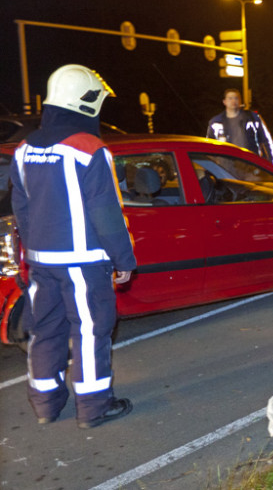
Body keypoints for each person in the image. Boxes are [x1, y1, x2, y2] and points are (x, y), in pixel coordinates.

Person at [11, 64, 136, 429]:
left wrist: (34, 251)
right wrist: (123, 258)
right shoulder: (90, 149)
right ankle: (93, 407)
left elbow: (22, 207)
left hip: (41, 262)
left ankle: (46, 405)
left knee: (44, 330)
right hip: (83, 263)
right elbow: (106, 211)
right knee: (89, 331)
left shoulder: (23, 149)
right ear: (86, 102)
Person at [206, 88, 273, 165]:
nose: (233, 101)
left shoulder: (253, 119)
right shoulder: (216, 122)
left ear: (240, 101)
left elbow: (267, 141)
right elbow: (210, 148)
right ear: (224, 102)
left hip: (252, 166)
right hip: (227, 169)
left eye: (236, 98)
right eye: (230, 98)